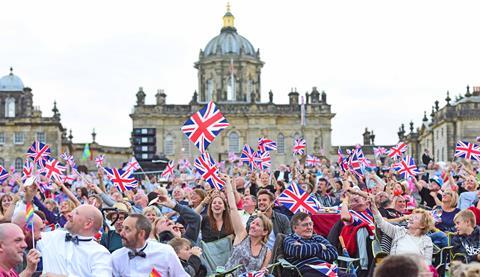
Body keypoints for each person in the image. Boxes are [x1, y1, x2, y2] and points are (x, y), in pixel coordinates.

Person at [37, 204, 112, 276]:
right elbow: (29, 230)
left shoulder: (99, 253)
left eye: (76, 213)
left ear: (88, 223)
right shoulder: (53, 237)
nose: (69, 214)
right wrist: (29, 199)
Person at [223, 175, 272, 275]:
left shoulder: (267, 252)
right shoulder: (241, 235)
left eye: (257, 225)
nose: (252, 226)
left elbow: (261, 273)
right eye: (252, 223)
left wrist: (264, 272)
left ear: (265, 231)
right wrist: (228, 183)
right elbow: (233, 208)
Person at [111, 214, 188, 276]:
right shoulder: (116, 257)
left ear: (141, 234)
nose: (121, 233)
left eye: (127, 229)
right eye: (122, 228)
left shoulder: (165, 252)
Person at [370, 195, 434, 265]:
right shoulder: (398, 231)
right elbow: (382, 223)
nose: (411, 219)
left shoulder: (426, 240)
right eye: (411, 217)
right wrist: (374, 207)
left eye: (415, 218)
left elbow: (427, 264)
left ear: (422, 225)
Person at [283, 212, 338, 277]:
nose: (309, 227)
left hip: (327, 268)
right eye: (305, 225)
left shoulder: (318, 238)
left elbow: (334, 253)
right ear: (295, 228)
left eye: (310, 224)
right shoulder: (290, 239)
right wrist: (320, 246)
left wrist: (308, 251)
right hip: (306, 270)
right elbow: (299, 251)